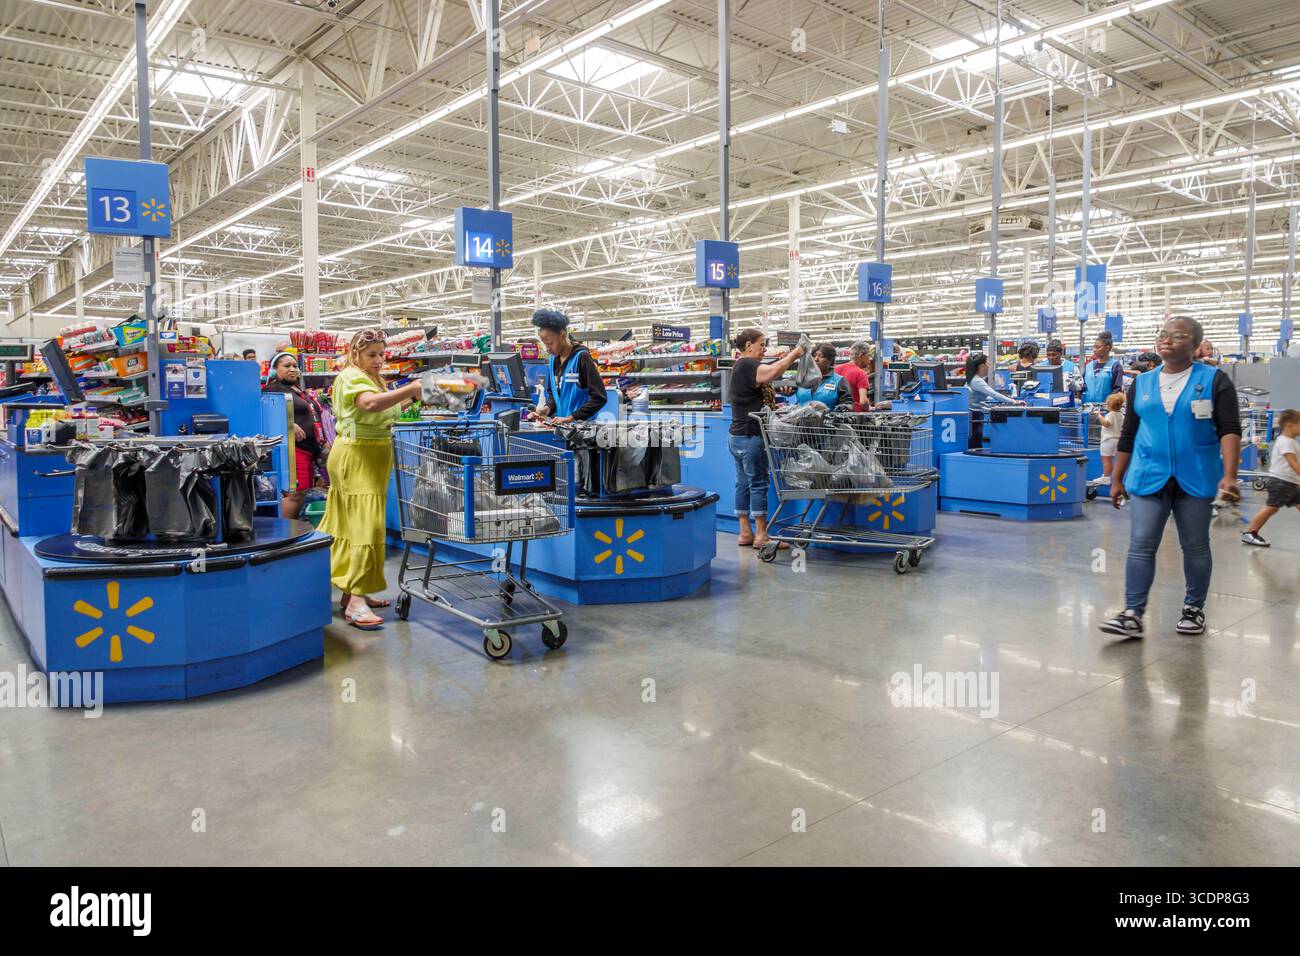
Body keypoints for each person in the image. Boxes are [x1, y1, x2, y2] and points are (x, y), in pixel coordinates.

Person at [1100, 316, 1241, 638]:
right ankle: (1132, 613)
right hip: (1149, 475)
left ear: (1195, 345)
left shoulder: (1215, 380)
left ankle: (1194, 608)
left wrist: (1230, 475)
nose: (1167, 340)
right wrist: (1117, 479)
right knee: (1140, 545)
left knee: (1195, 546)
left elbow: (1230, 430)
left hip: (1197, 476)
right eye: (1163, 334)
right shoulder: (1143, 383)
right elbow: (1129, 435)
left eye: (1178, 336)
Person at [319, 329, 423, 631]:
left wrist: (416, 397)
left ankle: (354, 592)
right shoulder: (353, 377)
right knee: (365, 525)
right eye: (371, 355)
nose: (378, 360)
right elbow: (369, 405)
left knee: (354, 525)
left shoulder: (373, 378)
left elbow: (382, 410)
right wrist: (411, 388)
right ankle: (355, 603)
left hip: (370, 457)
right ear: (355, 354)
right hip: (357, 457)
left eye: (381, 354)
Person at [728, 329, 804, 549]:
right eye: (762, 344)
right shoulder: (747, 364)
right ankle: (762, 536)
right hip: (751, 435)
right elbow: (773, 371)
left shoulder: (741, 367)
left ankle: (745, 533)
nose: (764, 349)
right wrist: (795, 354)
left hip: (737, 435)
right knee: (759, 483)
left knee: (742, 484)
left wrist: (776, 403)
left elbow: (759, 391)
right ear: (749, 345)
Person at [263, 352, 328, 519]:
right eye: (286, 366)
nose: (292, 369)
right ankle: (284, 533)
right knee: (294, 494)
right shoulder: (273, 389)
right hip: (294, 450)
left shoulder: (297, 390)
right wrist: (288, 424)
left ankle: (291, 529)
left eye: (294, 366)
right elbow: (265, 415)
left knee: (302, 492)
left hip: (308, 451)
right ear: (273, 371)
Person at [527, 308, 608, 423]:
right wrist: (546, 409)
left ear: (562, 334)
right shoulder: (552, 360)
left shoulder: (581, 358)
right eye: (545, 344)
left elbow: (599, 398)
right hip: (562, 429)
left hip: (582, 431)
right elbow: (554, 394)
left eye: (550, 343)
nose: (547, 348)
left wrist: (571, 418)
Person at [1241, 408, 1300, 547]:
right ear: (1290, 425)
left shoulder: (1291, 441)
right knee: (1271, 508)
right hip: (1280, 482)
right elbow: (1292, 463)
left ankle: (1250, 533)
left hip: (1289, 483)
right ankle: (1250, 533)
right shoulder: (1285, 441)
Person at [963, 351, 1024, 449]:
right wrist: (1013, 402)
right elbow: (993, 394)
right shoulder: (977, 380)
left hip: (974, 414)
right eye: (987, 362)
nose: (989, 365)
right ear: (981, 365)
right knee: (976, 438)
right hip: (975, 414)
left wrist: (1007, 399)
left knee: (976, 438)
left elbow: (987, 396)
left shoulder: (972, 379)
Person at [795, 344, 853, 409]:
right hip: (801, 418)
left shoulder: (839, 381)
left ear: (830, 360)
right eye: (814, 356)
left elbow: (849, 406)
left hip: (828, 418)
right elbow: (792, 392)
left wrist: (827, 409)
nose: (816, 359)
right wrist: (785, 391)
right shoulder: (803, 378)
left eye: (821, 356)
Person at [1082, 332, 1125, 405]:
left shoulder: (1115, 365)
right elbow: (1083, 385)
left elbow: (1117, 388)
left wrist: (1109, 403)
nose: (1094, 350)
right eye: (1094, 347)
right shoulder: (1089, 366)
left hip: (1106, 408)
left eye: (1098, 347)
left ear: (1107, 348)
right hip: (1087, 407)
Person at [1095, 391, 1125, 486]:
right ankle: (1116, 478)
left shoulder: (1110, 415)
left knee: (1106, 460)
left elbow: (1106, 424)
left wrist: (1099, 415)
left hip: (1108, 441)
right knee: (1114, 460)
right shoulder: (1121, 415)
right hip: (1118, 441)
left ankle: (1106, 477)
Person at [835, 341, 873, 411]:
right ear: (861, 356)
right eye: (869, 355)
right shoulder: (861, 373)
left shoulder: (836, 369)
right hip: (854, 415)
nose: (870, 359)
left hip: (836, 412)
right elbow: (863, 402)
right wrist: (870, 408)